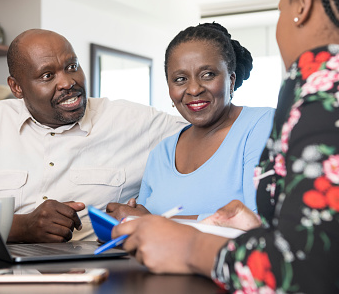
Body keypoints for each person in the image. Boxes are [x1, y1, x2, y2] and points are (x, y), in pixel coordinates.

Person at [112, 0, 339, 292]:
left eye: (281, 10)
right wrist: (262, 231)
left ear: (302, 5)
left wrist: (192, 247)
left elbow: (311, 274)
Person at [0, 29, 187, 243]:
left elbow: (211, 127)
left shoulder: (133, 121)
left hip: (93, 275)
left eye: (72, 67)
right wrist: (23, 227)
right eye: (47, 75)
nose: (67, 82)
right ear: (17, 87)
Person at [106, 23, 274, 221]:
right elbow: (140, 225)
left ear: (231, 79)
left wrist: (153, 223)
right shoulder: (161, 153)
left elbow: (260, 220)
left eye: (208, 75)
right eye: (180, 79)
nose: (194, 89)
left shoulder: (261, 125)